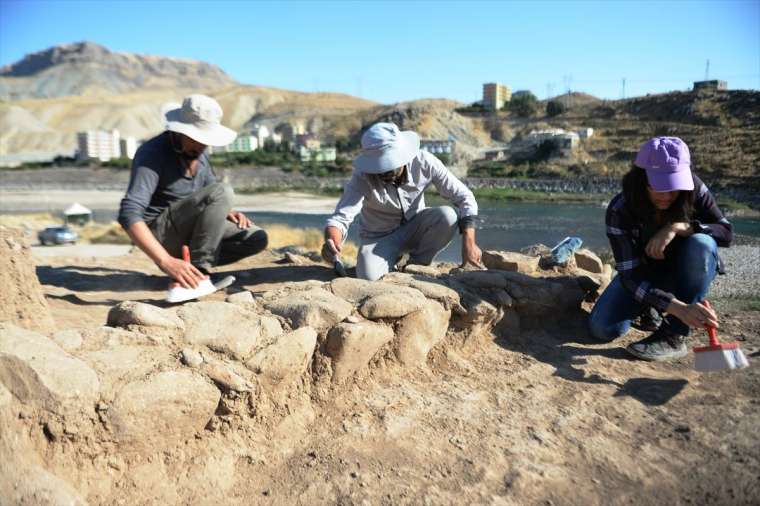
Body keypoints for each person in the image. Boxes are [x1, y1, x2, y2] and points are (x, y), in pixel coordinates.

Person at [588, 137, 733, 361]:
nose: (667, 196)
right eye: (658, 186)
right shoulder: (620, 209)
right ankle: (652, 307)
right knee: (602, 328)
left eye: (673, 186)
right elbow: (630, 276)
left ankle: (674, 335)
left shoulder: (694, 189)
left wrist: (679, 226)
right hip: (644, 274)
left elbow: (725, 232)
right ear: (640, 179)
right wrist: (679, 307)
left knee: (702, 244)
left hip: (685, 271)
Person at [118, 94, 268, 288]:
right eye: (195, 138)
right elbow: (129, 213)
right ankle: (199, 274)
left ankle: (190, 269)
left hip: (189, 229)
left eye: (204, 139)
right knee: (223, 191)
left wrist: (225, 211)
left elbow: (208, 192)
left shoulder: (199, 152)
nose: (200, 144)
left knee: (255, 238)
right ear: (179, 130)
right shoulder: (153, 153)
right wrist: (166, 261)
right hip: (160, 232)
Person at [322, 122, 483, 281]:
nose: (384, 172)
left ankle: (416, 264)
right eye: (378, 168)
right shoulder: (362, 176)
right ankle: (390, 261)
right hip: (379, 239)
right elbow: (340, 218)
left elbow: (464, 197)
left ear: (403, 156)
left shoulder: (424, 162)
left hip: (417, 228)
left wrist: (469, 243)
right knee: (368, 276)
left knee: (448, 216)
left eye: (389, 166)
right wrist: (332, 241)